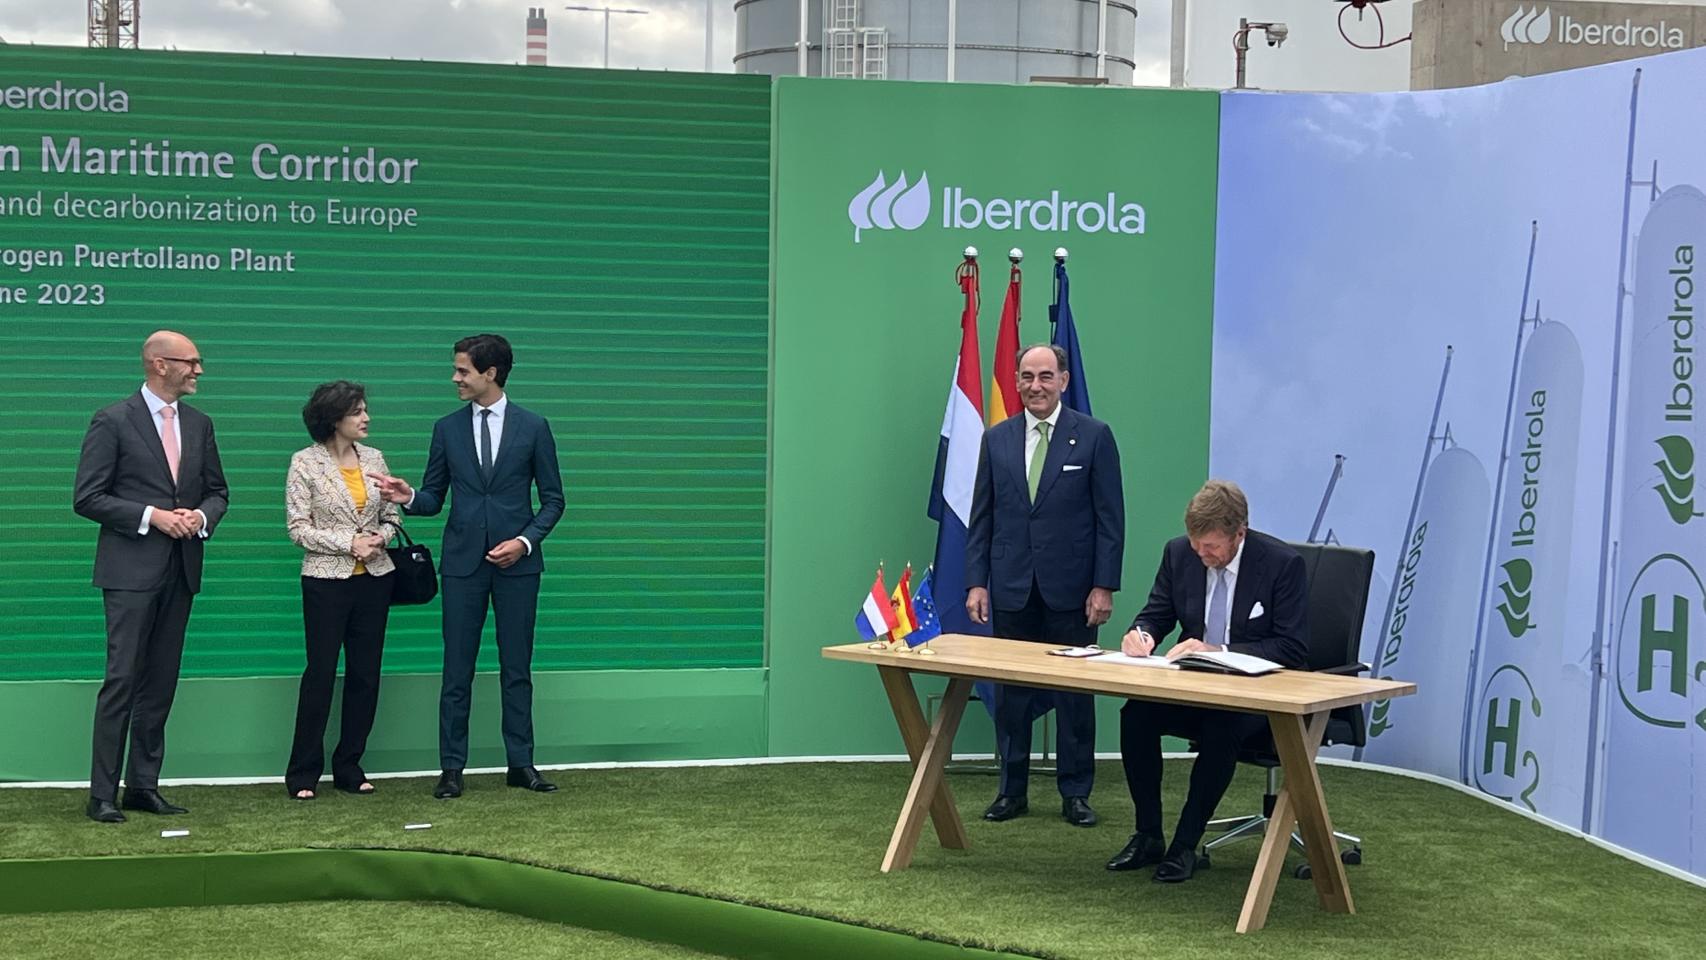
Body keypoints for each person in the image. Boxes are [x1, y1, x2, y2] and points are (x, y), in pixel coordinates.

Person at [370, 334, 565, 799]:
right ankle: (452, 769)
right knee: (457, 670)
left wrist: (524, 542)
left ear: (490, 374)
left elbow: (554, 500)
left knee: (517, 668)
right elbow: (434, 497)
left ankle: (521, 764)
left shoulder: (534, 427)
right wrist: (409, 496)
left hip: (518, 568)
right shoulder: (446, 428)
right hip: (461, 565)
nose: (455, 378)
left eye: (463, 371)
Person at [1106, 479, 1308, 882]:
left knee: (1223, 727)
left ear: (1240, 534)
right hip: (1193, 687)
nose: (1203, 555)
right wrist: (1142, 633)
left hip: (1256, 698)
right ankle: (1148, 836)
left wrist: (1221, 651)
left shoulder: (1282, 564)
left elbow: (1292, 647)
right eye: (1197, 545)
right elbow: (1158, 612)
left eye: (1212, 547)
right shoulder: (1180, 553)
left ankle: (1184, 846)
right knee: (1137, 716)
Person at [965, 343, 1125, 828]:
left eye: (1045, 376)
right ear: (1016, 382)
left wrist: (1104, 586)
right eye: (1027, 377)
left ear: (1063, 380)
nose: (1036, 385)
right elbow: (982, 518)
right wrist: (977, 583)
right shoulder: (997, 440)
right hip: (1012, 587)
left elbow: (1110, 520)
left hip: (1072, 593)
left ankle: (1076, 792)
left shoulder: (1094, 437)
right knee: (1011, 697)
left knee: (1075, 697)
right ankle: (1011, 790)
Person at [72, 330, 229, 823]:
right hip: (129, 572)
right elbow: (88, 496)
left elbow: (218, 491)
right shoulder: (113, 420)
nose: (199, 370)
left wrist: (200, 518)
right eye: (192, 362)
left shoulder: (200, 425)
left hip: (180, 571)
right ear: (160, 365)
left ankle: (143, 785)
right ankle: (102, 794)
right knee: (122, 680)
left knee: (160, 683)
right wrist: (154, 516)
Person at [283, 381, 403, 800]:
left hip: (375, 579)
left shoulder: (374, 458)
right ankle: (303, 772)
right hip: (324, 581)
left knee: (365, 674)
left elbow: (393, 516)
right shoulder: (304, 462)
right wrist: (348, 543)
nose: (366, 418)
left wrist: (379, 539)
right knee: (320, 673)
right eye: (357, 412)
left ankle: (350, 765)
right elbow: (297, 528)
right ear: (333, 418)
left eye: (366, 410)